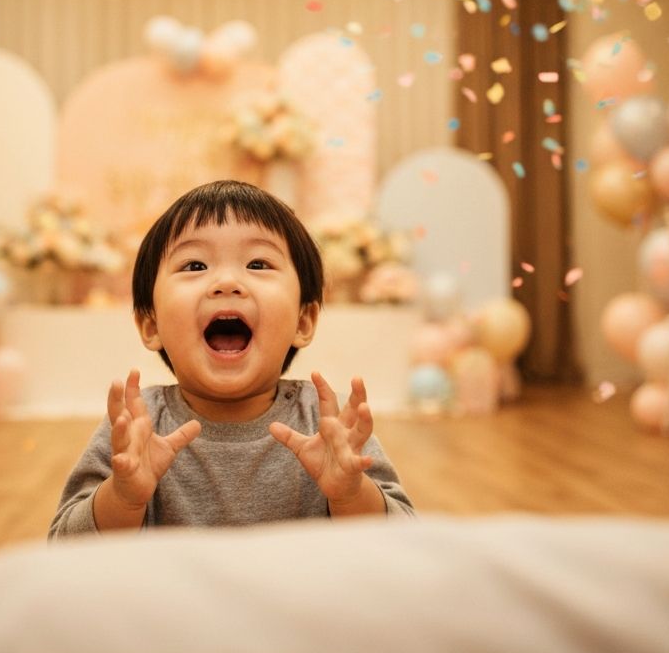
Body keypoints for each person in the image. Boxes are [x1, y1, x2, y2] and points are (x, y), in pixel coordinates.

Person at [49, 180, 414, 536]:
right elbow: (65, 546)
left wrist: (351, 494)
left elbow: (407, 542)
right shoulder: (137, 427)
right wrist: (123, 497)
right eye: (194, 266)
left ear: (304, 320)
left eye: (257, 264)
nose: (226, 282)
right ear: (150, 323)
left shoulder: (327, 423)